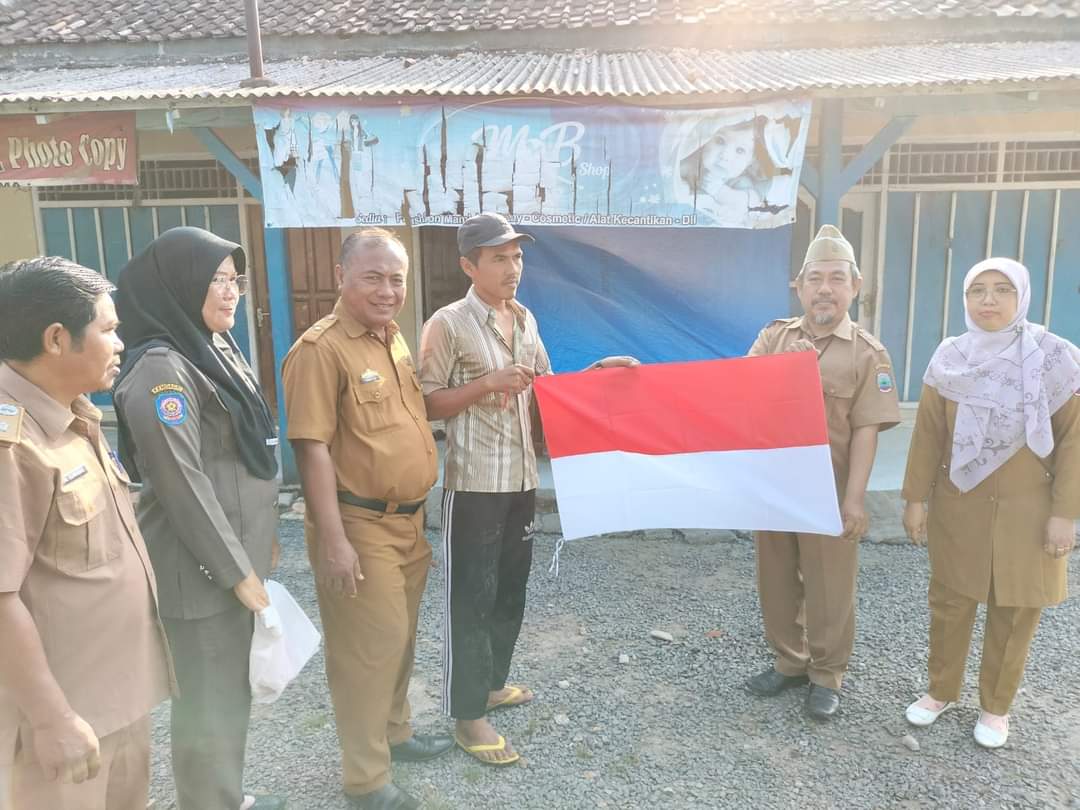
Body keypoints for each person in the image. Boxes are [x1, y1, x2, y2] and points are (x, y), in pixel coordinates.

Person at [419, 212, 637, 766]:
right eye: (499, 257)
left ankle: (492, 685)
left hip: (519, 481)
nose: (512, 267)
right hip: (473, 486)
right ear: (469, 265)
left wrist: (597, 371)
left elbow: (544, 388)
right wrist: (485, 384)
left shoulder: (523, 317)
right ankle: (468, 717)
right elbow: (425, 402)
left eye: (517, 256)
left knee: (509, 591)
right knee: (471, 598)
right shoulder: (447, 324)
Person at [112, 227, 285, 810]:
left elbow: (247, 455)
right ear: (178, 285)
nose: (229, 292)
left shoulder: (210, 347)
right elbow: (181, 484)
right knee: (208, 711)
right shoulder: (162, 369)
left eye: (234, 280)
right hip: (203, 574)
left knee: (228, 701)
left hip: (232, 563)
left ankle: (224, 798)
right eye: (214, 279)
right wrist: (240, 573)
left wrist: (266, 543)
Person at [282, 229, 453, 810]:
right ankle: (366, 780)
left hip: (409, 523)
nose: (387, 290)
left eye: (396, 278)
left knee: (399, 641)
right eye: (372, 277)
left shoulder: (393, 339)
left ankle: (395, 734)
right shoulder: (320, 350)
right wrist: (333, 542)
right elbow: (312, 450)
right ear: (341, 277)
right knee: (366, 650)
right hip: (359, 526)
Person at [0, 256, 173, 810]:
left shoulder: (75, 417)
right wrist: (52, 718)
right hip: (61, 720)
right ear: (56, 338)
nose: (121, 343)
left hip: (116, 700)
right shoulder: (13, 445)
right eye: (109, 329)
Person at [901, 258, 1080, 749]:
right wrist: (915, 499)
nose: (988, 300)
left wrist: (1065, 513)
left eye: (1002, 289)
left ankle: (996, 707)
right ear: (965, 299)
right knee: (950, 601)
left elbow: (1073, 442)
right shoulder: (949, 357)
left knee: (1017, 608)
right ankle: (940, 691)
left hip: (1031, 509)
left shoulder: (1055, 358)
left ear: (1021, 297)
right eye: (977, 290)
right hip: (961, 504)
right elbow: (928, 436)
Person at [744, 224, 900, 720]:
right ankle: (789, 661)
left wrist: (854, 500)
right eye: (815, 278)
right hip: (777, 487)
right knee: (776, 581)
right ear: (799, 286)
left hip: (830, 491)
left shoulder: (867, 353)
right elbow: (738, 395)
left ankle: (827, 673)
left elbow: (866, 430)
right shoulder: (774, 337)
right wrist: (784, 370)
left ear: (855, 287)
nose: (825, 288)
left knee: (830, 586)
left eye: (837, 278)